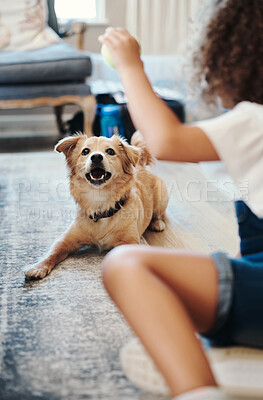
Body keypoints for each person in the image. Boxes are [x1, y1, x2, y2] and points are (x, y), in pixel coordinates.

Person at [98, 1, 263, 399]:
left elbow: (167, 140)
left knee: (127, 262)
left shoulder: (255, 120)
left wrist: (129, 65)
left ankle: (200, 388)